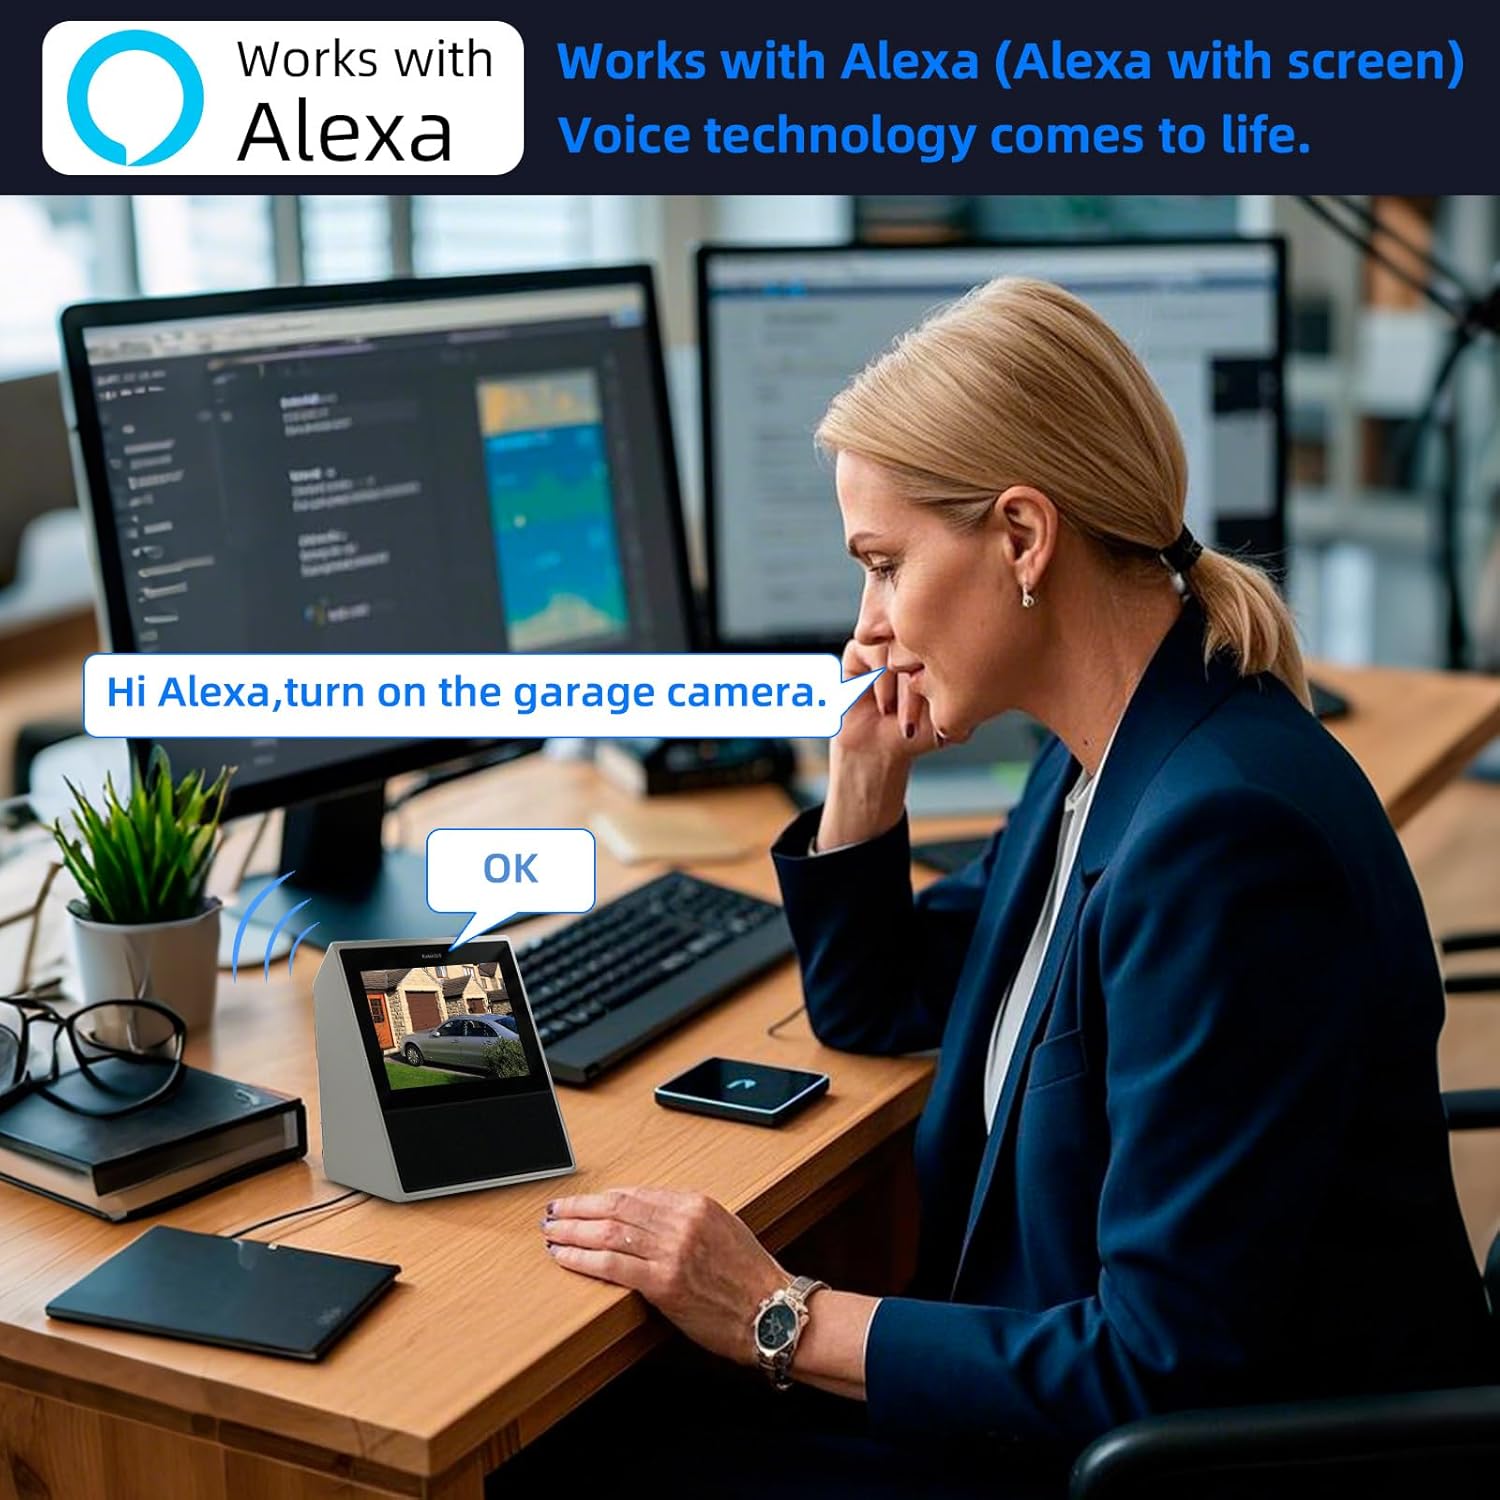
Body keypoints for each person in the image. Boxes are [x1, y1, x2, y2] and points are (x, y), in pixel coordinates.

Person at [504, 278, 1492, 1496]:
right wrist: (864, 776)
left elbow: (1159, 1361)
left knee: (572, 1457)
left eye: (883, 564)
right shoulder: (1108, 756)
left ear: (1023, 537)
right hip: (1059, 1391)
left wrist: (777, 1313)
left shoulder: (1223, 838)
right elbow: (889, 1003)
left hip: (1148, 1457)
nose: (863, 626)